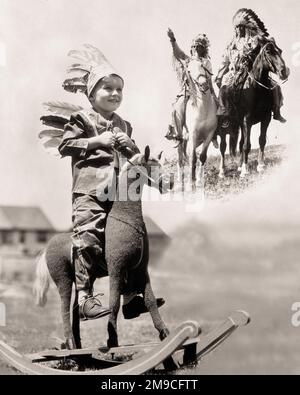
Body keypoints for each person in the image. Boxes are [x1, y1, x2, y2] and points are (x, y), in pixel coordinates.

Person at [59, 45, 164, 320]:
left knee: (128, 241)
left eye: (119, 89)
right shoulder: (80, 118)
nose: (115, 94)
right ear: (92, 93)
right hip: (90, 192)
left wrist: (131, 146)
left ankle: (130, 298)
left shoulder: (124, 124)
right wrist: (97, 141)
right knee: (90, 237)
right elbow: (65, 145)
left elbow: (136, 159)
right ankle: (84, 298)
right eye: (108, 88)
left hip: (118, 194)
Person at [215, 8, 286, 124]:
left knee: (276, 87)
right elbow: (225, 61)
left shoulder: (254, 40)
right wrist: (219, 74)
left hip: (251, 71)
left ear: (246, 27)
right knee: (224, 89)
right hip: (234, 73)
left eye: (241, 26)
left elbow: (265, 48)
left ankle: (277, 111)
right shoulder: (230, 44)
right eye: (237, 27)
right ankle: (226, 113)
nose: (239, 29)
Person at [166, 28, 219, 147]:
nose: (196, 48)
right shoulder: (187, 60)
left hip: (206, 90)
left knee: (220, 108)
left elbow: (209, 80)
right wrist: (172, 40)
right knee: (177, 106)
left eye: (199, 46)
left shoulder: (207, 62)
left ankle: (214, 133)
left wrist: (213, 94)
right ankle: (177, 134)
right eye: (194, 46)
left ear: (203, 49)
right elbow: (177, 52)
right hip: (188, 91)